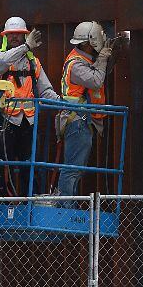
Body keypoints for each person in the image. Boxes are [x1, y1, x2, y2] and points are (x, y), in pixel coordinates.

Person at [0, 16, 59, 196]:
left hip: (29, 122)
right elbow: (6, 61)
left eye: (19, 34)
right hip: (4, 122)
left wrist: (62, 103)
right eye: (11, 35)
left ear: (24, 36)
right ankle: (4, 205)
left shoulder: (33, 62)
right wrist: (26, 47)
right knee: (4, 167)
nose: (14, 38)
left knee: (31, 167)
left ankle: (29, 205)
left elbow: (45, 90)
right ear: (5, 36)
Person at [57, 21, 118, 199]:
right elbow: (96, 81)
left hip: (80, 120)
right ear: (88, 42)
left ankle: (67, 204)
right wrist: (103, 59)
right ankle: (66, 207)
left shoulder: (82, 60)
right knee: (73, 169)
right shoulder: (76, 65)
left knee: (76, 168)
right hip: (77, 121)